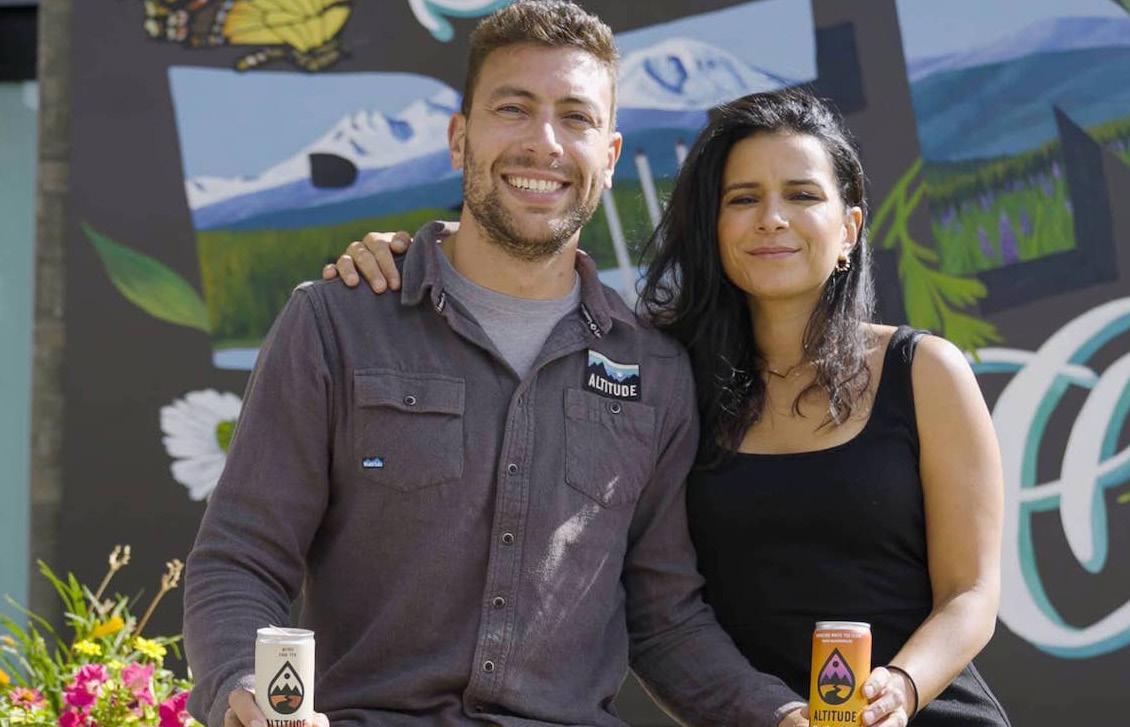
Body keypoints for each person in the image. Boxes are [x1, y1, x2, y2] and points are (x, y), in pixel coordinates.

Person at [183, 3, 810, 727]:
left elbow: (664, 619)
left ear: (608, 157)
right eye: (514, 109)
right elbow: (241, 559)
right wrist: (244, 688)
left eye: (575, 117)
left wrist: (780, 715)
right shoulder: (336, 323)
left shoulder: (655, 372)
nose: (544, 143)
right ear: (460, 139)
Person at [329, 89, 1009, 726]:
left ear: (849, 228)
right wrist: (421, 253)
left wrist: (901, 688)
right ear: (711, 226)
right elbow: (659, 613)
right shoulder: (656, 375)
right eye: (743, 198)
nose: (772, 218)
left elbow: (970, 594)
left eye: (801, 195)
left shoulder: (923, 371)